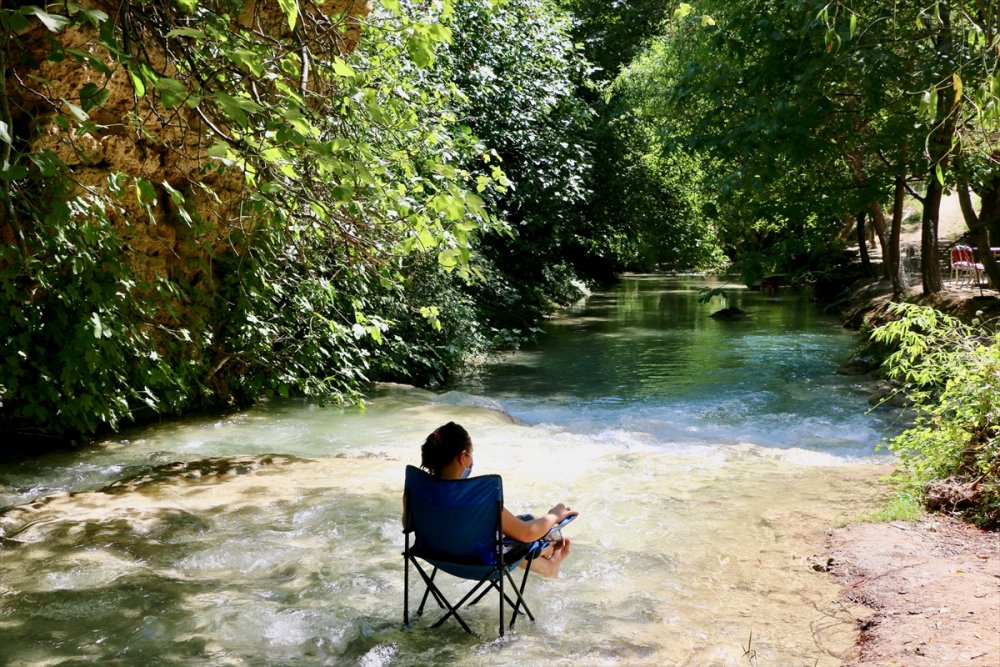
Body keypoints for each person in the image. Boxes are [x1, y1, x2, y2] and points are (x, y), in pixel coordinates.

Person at [406, 421, 577, 577]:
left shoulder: (417, 489)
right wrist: (555, 515)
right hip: (481, 562)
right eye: (471, 454)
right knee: (528, 527)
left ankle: (548, 562)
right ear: (463, 456)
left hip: (435, 556)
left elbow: (408, 525)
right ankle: (547, 551)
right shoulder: (478, 497)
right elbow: (527, 533)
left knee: (512, 527)